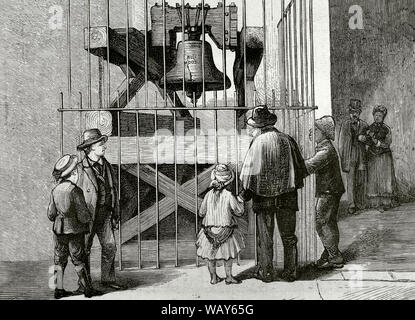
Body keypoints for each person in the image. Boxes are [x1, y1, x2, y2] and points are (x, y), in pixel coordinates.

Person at [238, 106, 307, 283]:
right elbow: (300, 170)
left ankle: (266, 273)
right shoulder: (288, 140)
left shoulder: (257, 142)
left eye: (253, 127)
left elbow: (248, 175)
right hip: (287, 197)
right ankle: (291, 272)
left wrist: (244, 195)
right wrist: (290, 186)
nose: (251, 131)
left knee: (265, 238)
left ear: (259, 127)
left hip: (263, 199)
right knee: (289, 236)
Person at [76, 128, 123, 290]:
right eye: (100, 143)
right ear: (90, 147)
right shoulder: (80, 168)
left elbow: (113, 190)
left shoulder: (108, 166)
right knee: (85, 249)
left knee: (110, 246)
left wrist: (115, 211)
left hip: (105, 214)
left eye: (103, 143)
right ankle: (84, 283)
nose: (104, 146)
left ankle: (108, 279)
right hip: (88, 215)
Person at [47, 154, 96, 299]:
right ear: (73, 173)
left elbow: (50, 214)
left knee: (59, 260)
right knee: (78, 259)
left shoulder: (55, 191)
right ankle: (88, 290)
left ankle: (58, 290)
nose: (77, 174)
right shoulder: (75, 191)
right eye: (76, 172)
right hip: (74, 230)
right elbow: (83, 216)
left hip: (59, 230)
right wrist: (88, 217)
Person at [305, 116, 345, 269]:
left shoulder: (326, 150)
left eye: (315, 129)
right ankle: (329, 253)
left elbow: (309, 166)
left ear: (323, 133)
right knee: (327, 222)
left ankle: (335, 256)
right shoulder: (324, 148)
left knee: (322, 222)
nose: (311, 132)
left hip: (329, 191)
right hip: (330, 190)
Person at [196, 164, 245, 285]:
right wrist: (240, 200)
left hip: (209, 231)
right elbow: (239, 211)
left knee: (210, 256)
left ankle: (213, 278)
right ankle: (229, 277)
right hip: (226, 230)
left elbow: (201, 213)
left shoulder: (208, 195)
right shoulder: (229, 196)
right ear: (228, 181)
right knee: (227, 255)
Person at [363, 106, 399, 211]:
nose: (377, 117)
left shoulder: (386, 129)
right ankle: (375, 203)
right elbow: (367, 142)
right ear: (373, 116)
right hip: (372, 156)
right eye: (376, 115)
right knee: (373, 178)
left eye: (380, 115)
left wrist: (378, 143)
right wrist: (366, 139)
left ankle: (386, 202)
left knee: (385, 178)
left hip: (384, 156)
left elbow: (387, 143)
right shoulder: (369, 128)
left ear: (383, 117)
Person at [338, 99, 369, 214]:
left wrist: (365, 139)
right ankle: (351, 205)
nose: (354, 114)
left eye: (356, 111)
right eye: (352, 111)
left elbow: (370, 140)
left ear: (360, 112)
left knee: (361, 180)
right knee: (350, 181)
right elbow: (341, 143)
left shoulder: (365, 125)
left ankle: (360, 203)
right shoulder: (345, 125)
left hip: (361, 155)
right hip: (350, 156)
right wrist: (343, 157)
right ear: (349, 112)